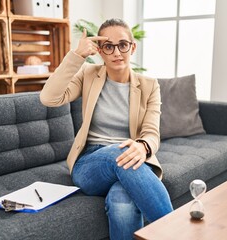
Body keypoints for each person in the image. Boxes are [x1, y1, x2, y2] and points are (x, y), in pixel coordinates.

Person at [40, 18, 173, 240]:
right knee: (121, 153)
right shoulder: (88, 74)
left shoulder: (149, 85)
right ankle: (176, 234)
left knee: (123, 202)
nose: (116, 52)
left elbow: (151, 132)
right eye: (108, 46)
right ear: (100, 51)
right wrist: (77, 56)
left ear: (133, 46)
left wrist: (142, 147)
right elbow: (49, 98)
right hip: (90, 165)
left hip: (132, 159)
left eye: (122, 44)